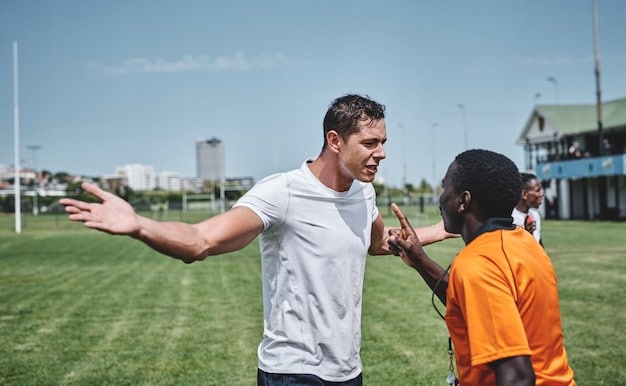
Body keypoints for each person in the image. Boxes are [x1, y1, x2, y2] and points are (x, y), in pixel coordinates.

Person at [60, 94, 453, 386]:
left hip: (348, 370)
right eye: (370, 143)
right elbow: (201, 240)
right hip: (293, 372)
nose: (381, 153)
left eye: (383, 142)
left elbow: (375, 242)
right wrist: (139, 225)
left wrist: (446, 229)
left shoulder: (363, 193)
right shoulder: (281, 192)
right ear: (335, 141)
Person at [388, 149, 576, 386]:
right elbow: (478, 302)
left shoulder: (478, 264)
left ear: (463, 201)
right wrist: (419, 260)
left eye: (446, 188)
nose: (441, 197)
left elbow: (517, 377)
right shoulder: (525, 243)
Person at [512, 172, 543, 245]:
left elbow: (538, 243)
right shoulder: (511, 219)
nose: (541, 194)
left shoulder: (535, 215)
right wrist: (527, 233)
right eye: (537, 190)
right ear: (524, 194)